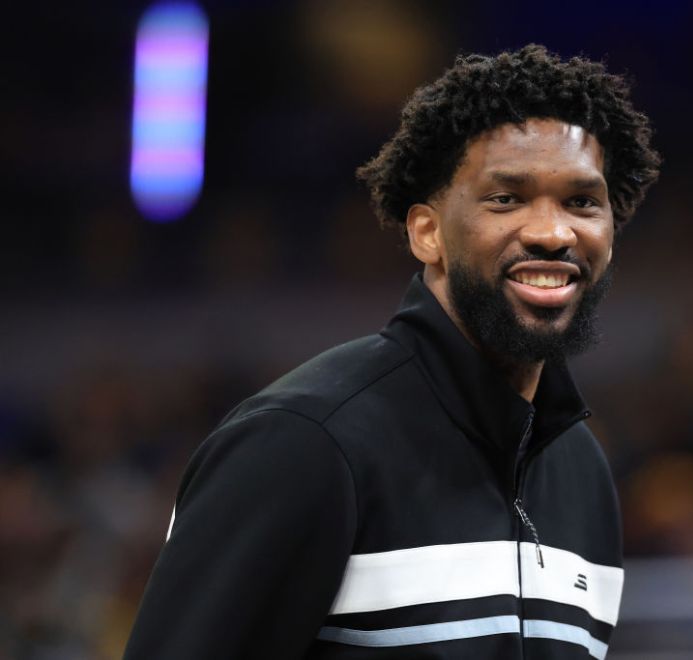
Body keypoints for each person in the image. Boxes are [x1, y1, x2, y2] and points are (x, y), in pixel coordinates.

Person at [123, 44, 660, 660]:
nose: (551, 232)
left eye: (581, 202)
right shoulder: (304, 441)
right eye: (505, 199)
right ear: (426, 232)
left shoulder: (583, 471)